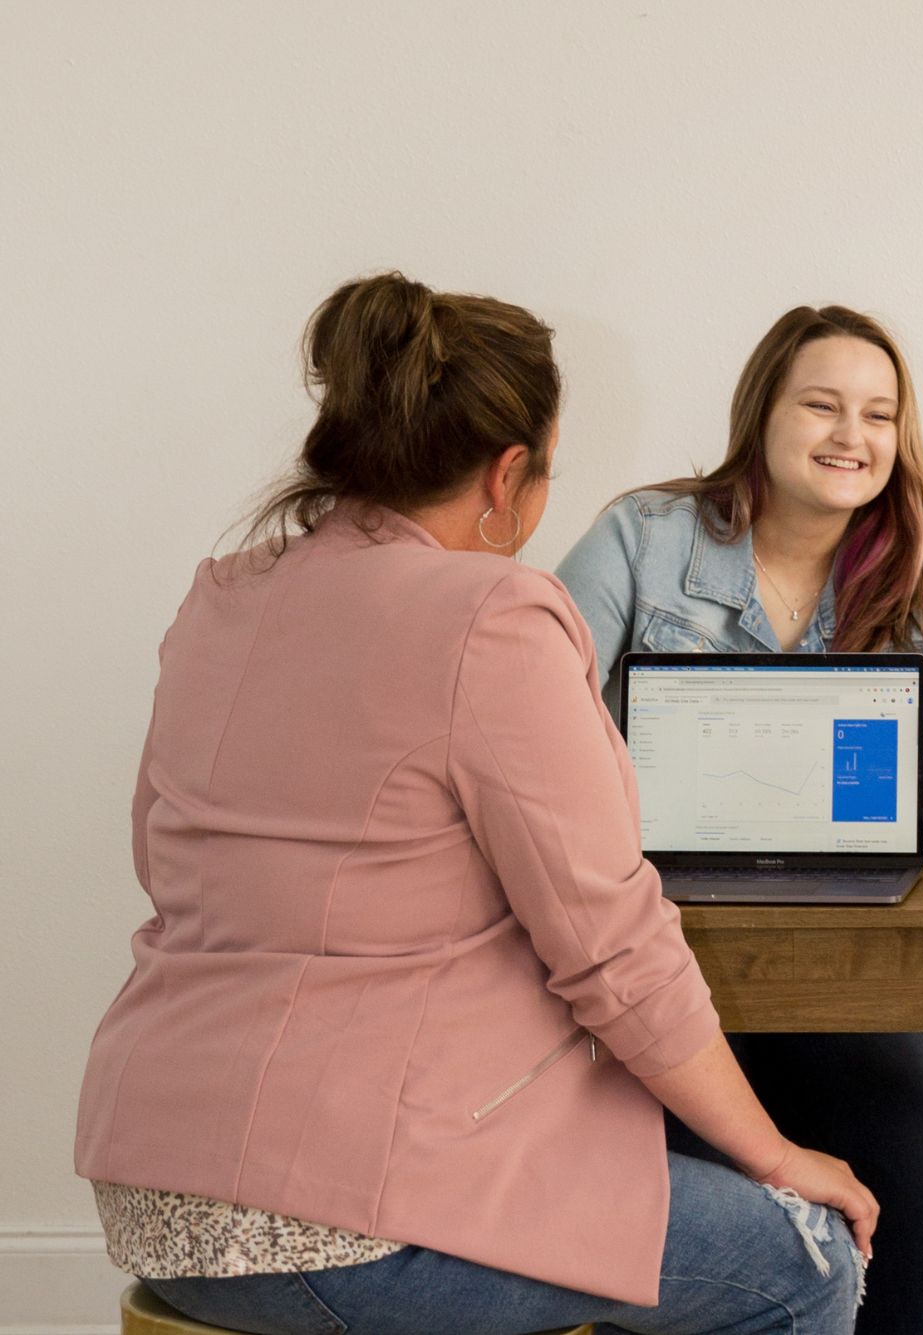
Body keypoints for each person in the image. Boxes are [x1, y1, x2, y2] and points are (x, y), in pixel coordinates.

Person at [75, 274, 873, 1335]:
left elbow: (165, 857)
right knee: (803, 1262)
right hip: (340, 1219)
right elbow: (614, 949)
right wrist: (776, 1156)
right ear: (509, 476)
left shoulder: (224, 594)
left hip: (152, 1190)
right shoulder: (491, 615)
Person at [557, 304, 923, 1335]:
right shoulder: (640, 540)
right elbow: (531, 723)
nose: (852, 436)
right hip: (651, 945)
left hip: (855, 958)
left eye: (878, 415)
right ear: (761, 415)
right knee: (668, 1113)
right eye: (823, 406)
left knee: (886, 1092)